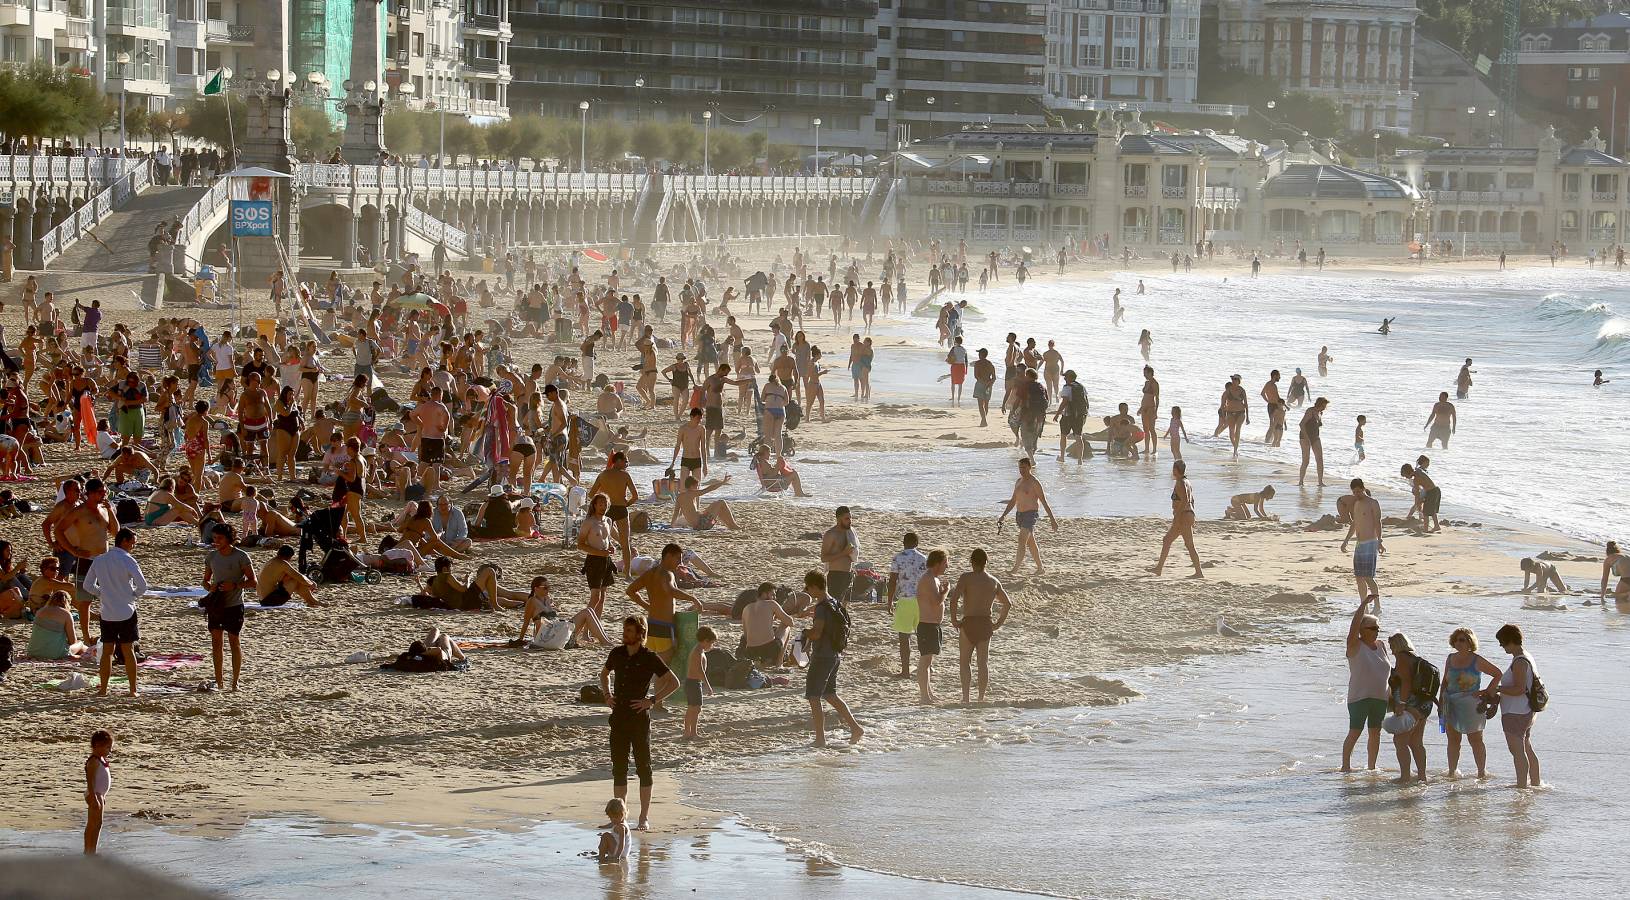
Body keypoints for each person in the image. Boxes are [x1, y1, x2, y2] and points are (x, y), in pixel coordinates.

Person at [599, 615, 679, 830]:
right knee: (619, 768)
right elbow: (604, 674)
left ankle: (643, 818)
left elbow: (674, 682)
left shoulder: (649, 657)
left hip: (639, 718)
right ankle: (619, 818)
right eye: (625, 630)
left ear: (640, 634)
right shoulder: (617, 653)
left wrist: (652, 700)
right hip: (618, 716)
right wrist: (607, 695)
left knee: (644, 767)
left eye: (629, 631)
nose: (625, 634)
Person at [803, 570, 863, 747]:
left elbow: (817, 632)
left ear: (815, 587)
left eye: (808, 587)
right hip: (835, 654)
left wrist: (805, 633)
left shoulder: (822, 607)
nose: (807, 591)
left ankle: (820, 739)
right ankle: (855, 727)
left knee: (814, 697)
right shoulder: (835, 602)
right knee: (830, 695)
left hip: (822, 656)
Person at [85, 528, 146, 697]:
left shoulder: (99, 560)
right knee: (128, 650)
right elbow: (142, 586)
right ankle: (133, 690)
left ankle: (103, 689)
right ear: (124, 541)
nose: (133, 546)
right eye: (132, 542)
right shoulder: (128, 560)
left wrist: (102, 593)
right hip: (126, 609)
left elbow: (87, 585)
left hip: (107, 611)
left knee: (107, 651)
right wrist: (131, 595)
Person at [948, 547, 1010, 703]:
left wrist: (954, 620)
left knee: (965, 662)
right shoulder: (993, 581)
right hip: (985, 623)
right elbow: (1007, 604)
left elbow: (954, 599)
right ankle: (981, 698)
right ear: (986, 562)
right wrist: (998, 623)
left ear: (971, 562)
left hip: (969, 622)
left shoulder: (966, 578)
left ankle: (966, 697)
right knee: (983, 663)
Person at [1440, 628, 1503, 779]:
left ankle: (1481, 772)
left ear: (1470, 642)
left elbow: (1498, 674)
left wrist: (1485, 692)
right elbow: (1445, 681)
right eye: (1456, 640)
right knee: (1453, 739)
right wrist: (1441, 700)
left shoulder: (1476, 660)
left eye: (1462, 640)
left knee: (1475, 740)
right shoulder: (1450, 658)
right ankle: (1452, 772)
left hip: (1470, 705)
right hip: (1451, 702)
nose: (1458, 643)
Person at [624, 542, 698, 663]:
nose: (680, 562)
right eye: (678, 559)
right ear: (668, 556)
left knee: (650, 668)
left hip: (650, 626)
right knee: (663, 670)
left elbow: (630, 591)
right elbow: (671, 591)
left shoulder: (650, 573)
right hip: (664, 628)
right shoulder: (668, 574)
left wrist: (647, 606)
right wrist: (693, 599)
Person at [202, 523, 254, 692]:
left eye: (220, 538)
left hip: (234, 604)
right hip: (216, 605)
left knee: (234, 642)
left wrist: (236, 585)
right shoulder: (211, 557)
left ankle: (235, 682)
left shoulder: (241, 556)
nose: (216, 541)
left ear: (229, 539)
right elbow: (205, 581)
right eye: (214, 538)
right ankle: (219, 681)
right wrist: (210, 588)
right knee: (216, 643)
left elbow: (253, 581)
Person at [1341, 596, 1391, 772]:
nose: (1376, 631)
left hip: (1380, 698)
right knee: (1355, 732)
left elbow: (1387, 673)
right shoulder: (1354, 645)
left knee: (1375, 732)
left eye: (1378, 628)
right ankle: (1345, 767)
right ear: (1362, 630)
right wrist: (1363, 605)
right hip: (1359, 697)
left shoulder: (1381, 645)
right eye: (1372, 628)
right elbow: (1352, 629)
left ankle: (1372, 767)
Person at [1495, 622, 1544, 789]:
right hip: (1526, 710)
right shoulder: (1526, 656)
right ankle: (1535, 784)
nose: (1501, 646)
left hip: (1516, 712)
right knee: (1526, 747)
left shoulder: (1519, 661)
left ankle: (1522, 787)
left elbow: (1519, 689)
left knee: (1517, 751)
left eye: (1502, 642)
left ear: (1510, 640)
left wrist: (1497, 689)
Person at [1386, 632, 1435, 784]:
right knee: (1416, 742)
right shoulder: (1416, 659)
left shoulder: (1402, 659)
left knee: (1400, 741)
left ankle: (1405, 777)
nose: (1391, 650)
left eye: (1392, 645)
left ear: (1397, 645)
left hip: (1411, 705)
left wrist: (1401, 702)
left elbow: (1406, 682)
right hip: (1425, 705)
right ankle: (1422, 776)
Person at [995, 457, 1057, 575]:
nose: (1021, 470)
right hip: (1020, 515)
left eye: (1023, 467)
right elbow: (1013, 501)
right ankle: (1040, 568)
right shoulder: (1018, 481)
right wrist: (1003, 515)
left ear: (1029, 467)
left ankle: (1015, 569)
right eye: (1020, 468)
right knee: (1030, 542)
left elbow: (1044, 502)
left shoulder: (1035, 482)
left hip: (1031, 514)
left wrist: (1052, 520)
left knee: (1021, 540)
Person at [1152, 459, 1203, 578]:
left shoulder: (1180, 482)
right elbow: (1192, 500)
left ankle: (1159, 569)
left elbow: (1185, 499)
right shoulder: (1187, 481)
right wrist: (1192, 516)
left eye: (1173, 468)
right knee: (1185, 544)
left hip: (1183, 515)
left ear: (1176, 470)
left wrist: (1177, 516)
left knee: (1168, 540)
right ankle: (1198, 572)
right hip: (1188, 514)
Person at [886, 532, 928, 678]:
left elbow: (892, 582)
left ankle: (905, 671)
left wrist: (889, 601)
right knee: (923, 636)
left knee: (904, 638)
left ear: (904, 543)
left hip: (905, 600)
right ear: (917, 543)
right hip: (922, 601)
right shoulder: (924, 558)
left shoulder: (898, 558)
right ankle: (927, 668)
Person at [1341, 479, 1384, 609]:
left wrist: (1380, 541)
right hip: (1359, 544)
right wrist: (1346, 540)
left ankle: (1377, 605)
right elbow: (1355, 524)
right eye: (1354, 492)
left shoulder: (1373, 503)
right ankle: (1363, 606)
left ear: (1363, 489)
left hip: (1370, 543)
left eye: (1359, 491)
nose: (1357, 494)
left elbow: (1378, 522)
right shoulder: (1356, 504)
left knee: (1368, 577)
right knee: (1359, 577)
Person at [914, 549, 949, 705]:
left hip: (932, 624)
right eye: (945, 562)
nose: (947, 566)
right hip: (927, 625)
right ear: (937, 563)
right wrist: (946, 591)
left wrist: (942, 591)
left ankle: (929, 694)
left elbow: (934, 600)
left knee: (928, 662)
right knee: (925, 661)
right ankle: (924, 697)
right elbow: (936, 602)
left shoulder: (933, 578)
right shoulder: (928, 578)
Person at [738, 581, 799, 667]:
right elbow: (790, 622)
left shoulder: (746, 608)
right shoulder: (771, 604)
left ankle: (763, 660)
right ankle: (779, 663)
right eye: (773, 595)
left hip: (751, 651)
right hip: (769, 649)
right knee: (786, 626)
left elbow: (746, 634)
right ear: (764, 594)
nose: (774, 598)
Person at [682, 626, 717, 739]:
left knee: (693, 708)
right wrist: (708, 685)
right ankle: (691, 733)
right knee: (695, 708)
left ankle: (689, 733)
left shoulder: (699, 650)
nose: (712, 646)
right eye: (711, 643)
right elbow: (700, 670)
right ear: (705, 640)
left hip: (693, 682)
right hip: (693, 683)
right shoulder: (698, 651)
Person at [821, 506, 860, 602]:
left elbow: (853, 554)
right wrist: (843, 553)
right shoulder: (831, 534)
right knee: (834, 606)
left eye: (851, 518)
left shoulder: (851, 532)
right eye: (847, 518)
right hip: (836, 576)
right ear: (839, 519)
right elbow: (824, 558)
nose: (850, 521)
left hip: (848, 574)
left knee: (845, 607)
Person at [671, 476, 739, 531]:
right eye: (696, 486)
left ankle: (730, 525)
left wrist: (672, 524)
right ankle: (733, 525)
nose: (697, 488)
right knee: (721, 502)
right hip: (703, 525)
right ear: (691, 486)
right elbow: (709, 489)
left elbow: (676, 512)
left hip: (697, 525)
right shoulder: (692, 493)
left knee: (715, 504)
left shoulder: (679, 497)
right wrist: (722, 482)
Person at [27, 590, 77, 660]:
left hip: (33, 652)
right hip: (54, 654)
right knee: (80, 644)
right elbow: (73, 641)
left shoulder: (40, 611)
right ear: (67, 602)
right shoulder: (66, 614)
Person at [84, 729, 112, 855]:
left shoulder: (101, 760)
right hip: (95, 793)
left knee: (96, 823)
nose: (109, 751)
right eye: (107, 747)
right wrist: (93, 796)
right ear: (97, 745)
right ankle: (90, 850)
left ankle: (90, 850)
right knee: (94, 824)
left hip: (99, 794)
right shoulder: (94, 761)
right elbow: (89, 780)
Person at [1400, 462, 1442, 533]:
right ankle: (1436, 526)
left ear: (1408, 473)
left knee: (1425, 512)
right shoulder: (1418, 471)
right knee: (1431, 510)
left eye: (1405, 476)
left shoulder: (1416, 479)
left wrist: (1418, 504)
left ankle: (1425, 530)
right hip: (1436, 490)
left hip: (1431, 492)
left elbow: (1417, 494)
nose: (1406, 478)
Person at [1297, 397, 1328, 487]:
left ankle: (1320, 482)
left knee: (1320, 459)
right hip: (1304, 437)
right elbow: (1301, 424)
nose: (1325, 408)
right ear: (1319, 404)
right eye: (1324, 405)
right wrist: (1307, 438)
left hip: (1315, 437)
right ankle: (1301, 481)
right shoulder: (1310, 411)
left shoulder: (1320, 413)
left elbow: (1317, 425)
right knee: (1306, 460)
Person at [596, 798, 630, 862]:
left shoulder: (621, 827)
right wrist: (605, 827)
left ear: (623, 814)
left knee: (605, 836)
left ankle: (601, 857)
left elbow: (621, 844)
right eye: (611, 817)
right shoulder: (619, 822)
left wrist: (617, 856)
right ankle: (604, 854)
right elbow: (613, 828)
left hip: (620, 852)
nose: (613, 820)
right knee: (605, 836)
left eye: (616, 817)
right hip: (620, 851)